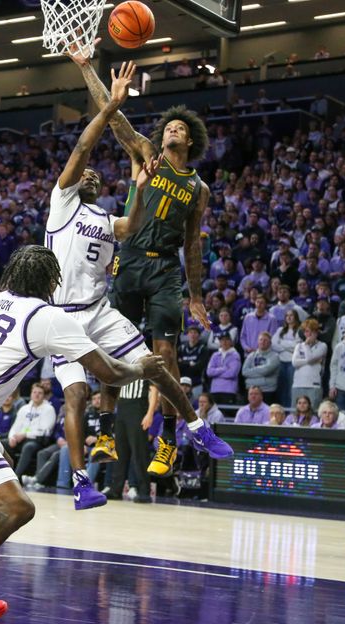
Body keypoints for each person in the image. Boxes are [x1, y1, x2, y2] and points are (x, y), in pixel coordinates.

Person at [0, 245, 179, 617]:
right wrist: (143, 369)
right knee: (16, 506)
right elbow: (110, 373)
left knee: (1, 463)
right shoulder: (49, 317)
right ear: (52, 282)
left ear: (12, 277)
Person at [65, 55, 227, 496]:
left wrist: (196, 294)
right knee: (108, 353)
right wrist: (87, 70)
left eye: (179, 128)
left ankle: (169, 441)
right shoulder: (146, 154)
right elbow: (112, 116)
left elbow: (193, 244)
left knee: (164, 355)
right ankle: (105, 433)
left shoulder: (198, 188)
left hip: (164, 270)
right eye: (168, 127)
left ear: (191, 140)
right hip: (131, 258)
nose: (171, 129)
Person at [7, 383, 56, 480]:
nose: (37, 395)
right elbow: (15, 427)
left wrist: (25, 434)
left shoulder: (49, 409)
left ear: (44, 395)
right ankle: (1, 475)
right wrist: (12, 437)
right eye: (34, 392)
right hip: (20, 439)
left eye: (40, 393)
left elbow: (45, 431)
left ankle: (15, 477)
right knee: (1, 443)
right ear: (31, 394)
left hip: (38, 441)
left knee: (28, 447)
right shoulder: (24, 409)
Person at [292, 318, 327, 408]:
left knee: (313, 412)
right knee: (295, 413)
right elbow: (295, 362)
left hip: (314, 385)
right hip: (298, 384)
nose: (309, 334)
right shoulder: (299, 345)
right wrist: (309, 361)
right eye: (307, 331)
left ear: (316, 332)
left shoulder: (322, 346)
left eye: (312, 331)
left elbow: (310, 358)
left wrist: (306, 348)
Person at [272, 309, 302, 407]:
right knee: (281, 388)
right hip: (281, 361)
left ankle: (290, 411)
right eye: (287, 315)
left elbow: (297, 346)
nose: (289, 317)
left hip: (292, 362)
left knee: (290, 388)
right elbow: (273, 344)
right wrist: (288, 347)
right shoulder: (280, 330)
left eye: (291, 315)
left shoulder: (299, 330)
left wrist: (282, 343)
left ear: (296, 317)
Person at [242, 332, 280, 404]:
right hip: (251, 390)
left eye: (265, 340)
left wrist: (252, 371)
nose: (262, 342)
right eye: (261, 340)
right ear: (258, 342)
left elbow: (266, 370)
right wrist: (261, 370)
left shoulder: (275, 356)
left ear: (270, 343)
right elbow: (244, 371)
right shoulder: (251, 355)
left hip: (267, 391)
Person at [206, 332, 241, 406]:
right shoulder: (215, 355)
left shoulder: (235, 355)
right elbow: (209, 372)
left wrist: (216, 372)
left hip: (229, 390)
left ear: (231, 341)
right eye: (222, 340)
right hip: (215, 390)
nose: (224, 342)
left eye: (227, 340)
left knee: (227, 414)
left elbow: (232, 373)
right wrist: (224, 369)